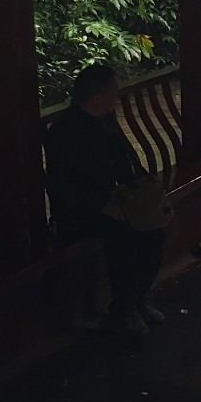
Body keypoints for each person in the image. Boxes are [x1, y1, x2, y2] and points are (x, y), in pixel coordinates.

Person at [43, 62, 165, 337]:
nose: (117, 96)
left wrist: (138, 188)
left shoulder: (104, 122)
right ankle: (124, 310)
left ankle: (138, 298)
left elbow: (121, 164)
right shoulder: (64, 132)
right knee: (123, 239)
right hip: (78, 211)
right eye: (113, 91)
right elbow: (62, 186)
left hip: (112, 201)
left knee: (154, 230)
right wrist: (103, 206)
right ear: (97, 98)